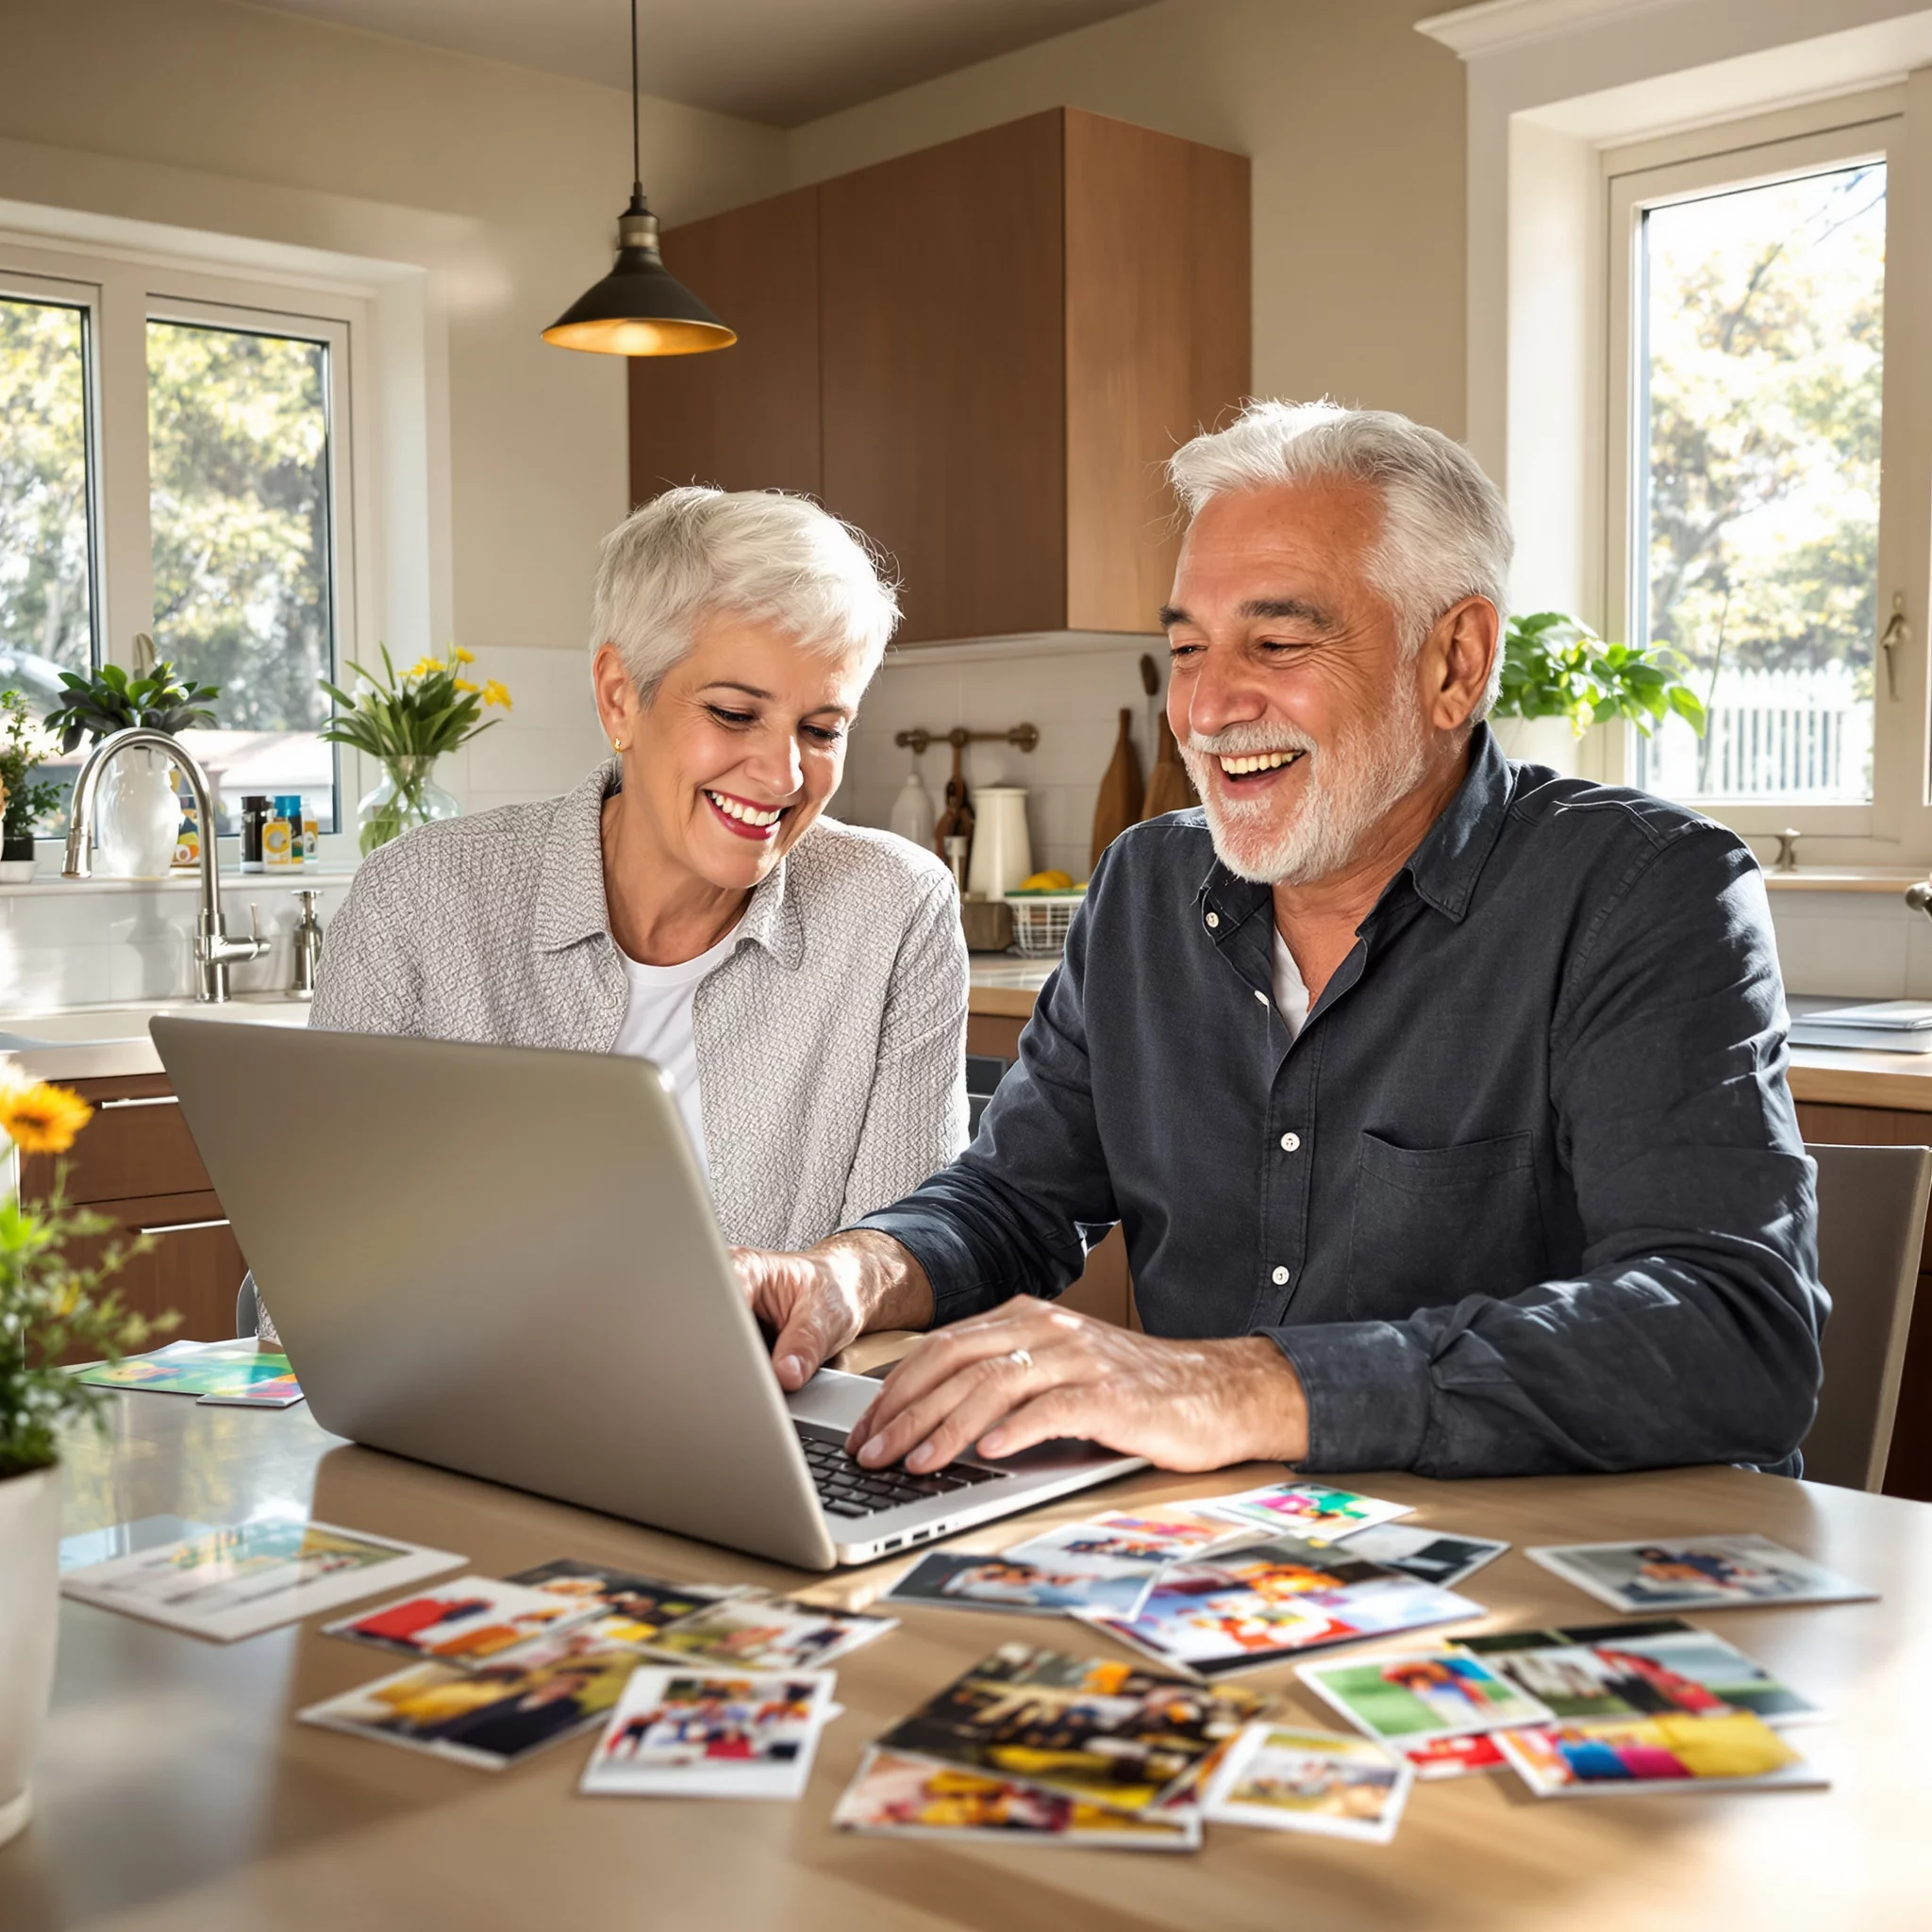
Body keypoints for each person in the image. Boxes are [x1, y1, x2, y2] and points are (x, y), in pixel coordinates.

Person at [733, 401, 1826, 1478]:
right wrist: (855, 1270)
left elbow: (1729, 1328)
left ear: (1454, 662)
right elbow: (1017, 1197)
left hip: (1546, 1573)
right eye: (1186, 648)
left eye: (1278, 640)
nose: (1206, 707)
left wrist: (1236, 1387)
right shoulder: (1144, 885)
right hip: (1230, 1560)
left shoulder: (1642, 890)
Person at [307, 486, 968, 1254]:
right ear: (620, 698)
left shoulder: (895, 909)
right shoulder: (419, 898)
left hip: (774, 1378)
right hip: (457, 1378)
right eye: (733, 713)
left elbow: (900, 1275)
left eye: (822, 729)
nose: (784, 774)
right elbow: (321, 1265)